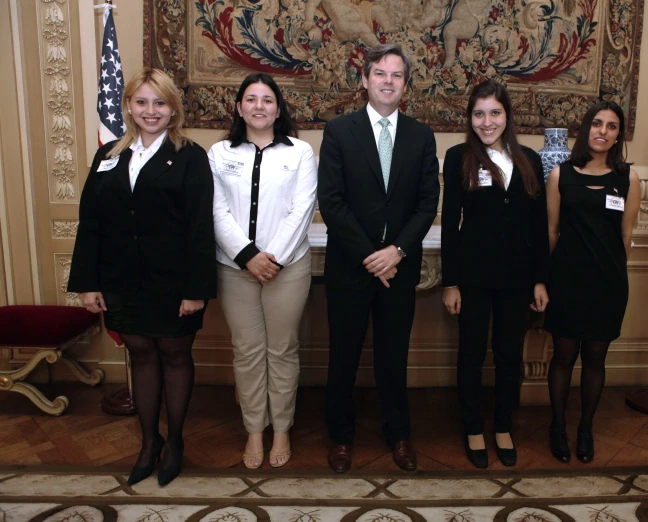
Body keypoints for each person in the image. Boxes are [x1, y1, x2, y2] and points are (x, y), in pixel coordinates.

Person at [68, 68, 216, 486]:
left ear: (173, 110)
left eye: (160, 103)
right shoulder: (109, 156)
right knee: (142, 357)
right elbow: (90, 222)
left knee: (173, 356)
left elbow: (200, 227)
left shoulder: (190, 155)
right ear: (129, 106)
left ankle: (176, 441)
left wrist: (195, 290)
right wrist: (88, 282)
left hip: (174, 284)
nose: (150, 111)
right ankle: (149, 442)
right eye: (142, 102)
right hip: (120, 281)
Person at [317, 43, 440, 473]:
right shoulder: (339, 132)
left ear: (406, 85)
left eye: (397, 75)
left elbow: (428, 203)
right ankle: (341, 437)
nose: (388, 81)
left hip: (400, 269)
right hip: (352, 266)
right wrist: (372, 255)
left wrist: (397, 252)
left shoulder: (422, 136)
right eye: (380, 73)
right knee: (343, 355)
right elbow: (331, 203)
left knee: (394, 355)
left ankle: (399, 433)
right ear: (365, 79)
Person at [209, 73, 317, 469]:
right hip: (234, 270)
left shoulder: (300, 153)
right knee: (248, 352)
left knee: (282, 350)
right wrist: (246, 256)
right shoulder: (219, 154)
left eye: (267, 100)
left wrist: (271, 259)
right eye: (251, 99)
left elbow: (301, 210)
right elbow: (216, 211)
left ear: (278, 108)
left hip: (286, 270)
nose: (259, 106)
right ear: (239, 107)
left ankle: (282, 428)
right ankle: (255, 430)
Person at [441, 80, 549, 468]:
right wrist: (450, 282)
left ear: (507, 115)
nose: (487, 122)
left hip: (518, 279)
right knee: (471, 355)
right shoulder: (458, 158)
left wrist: (540, 279)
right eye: (479, 114)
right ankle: (472, 427)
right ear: (470, 118)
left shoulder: (529, 159)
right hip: (472, 277)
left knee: (508, 356)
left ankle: (502, 426)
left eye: (495, 113)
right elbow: (450, 223)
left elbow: (539, 225)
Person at [544, 101, 641, 464]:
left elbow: (626, 237)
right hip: (567, 282)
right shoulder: (561, 175)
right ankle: (557, 426)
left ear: (619, 135)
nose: (603, 131)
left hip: (607, 285)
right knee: (564, 356)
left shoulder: (627, 178)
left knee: (596, 358)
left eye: (612, 126)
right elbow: (552, 231)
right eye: (597, 124)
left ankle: (585, 428)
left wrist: (612, 274)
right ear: (586, 129)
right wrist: (545, 281)